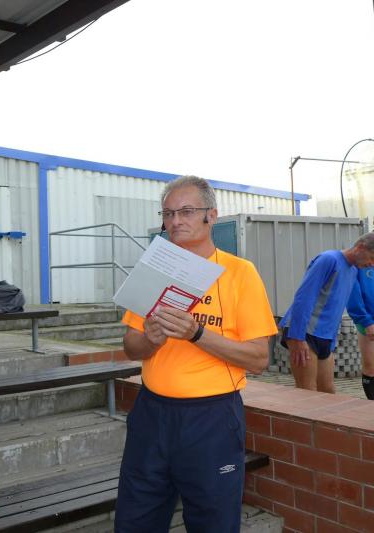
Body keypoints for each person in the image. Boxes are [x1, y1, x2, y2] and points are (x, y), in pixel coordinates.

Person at [115, 176, 278, 533]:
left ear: (211, 216)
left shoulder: (240, 273)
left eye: (187, 211)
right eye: (168, 213)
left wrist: (197, 334)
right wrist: (152, 340)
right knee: (134, 519)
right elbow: (130, 346)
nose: (175, 221)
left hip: (211, 418)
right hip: (151, 414)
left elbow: (258, 359)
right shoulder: (154, 270)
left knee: (213, 522)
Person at [279, 234, 374, 393]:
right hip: (305, 332)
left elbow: (336, 308)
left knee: (328, 392)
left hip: (325, 336)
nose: (372, 264)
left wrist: (331, 342)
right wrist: (297, 337)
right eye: (372, 258)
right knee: (307, 391)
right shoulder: (329, 259)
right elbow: (304, 297)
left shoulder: (352, 271)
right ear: (360, 247)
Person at [345, 266, 374, 399]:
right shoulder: (361, 262)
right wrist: (366, 321)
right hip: (369, 321)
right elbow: (353, 295)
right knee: (370, 367)